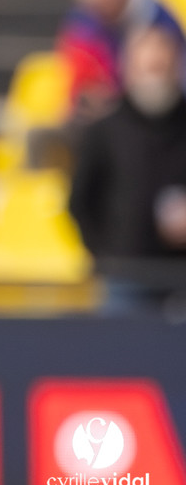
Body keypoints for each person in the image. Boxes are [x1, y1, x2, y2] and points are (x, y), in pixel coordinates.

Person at [70, 24, 186, 304]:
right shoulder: (105, 130)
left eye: (161, 66)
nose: (154, 75)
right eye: (147, 66)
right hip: (125, 279)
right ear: (129, 69)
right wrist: (108, 258)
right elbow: (80, 202)